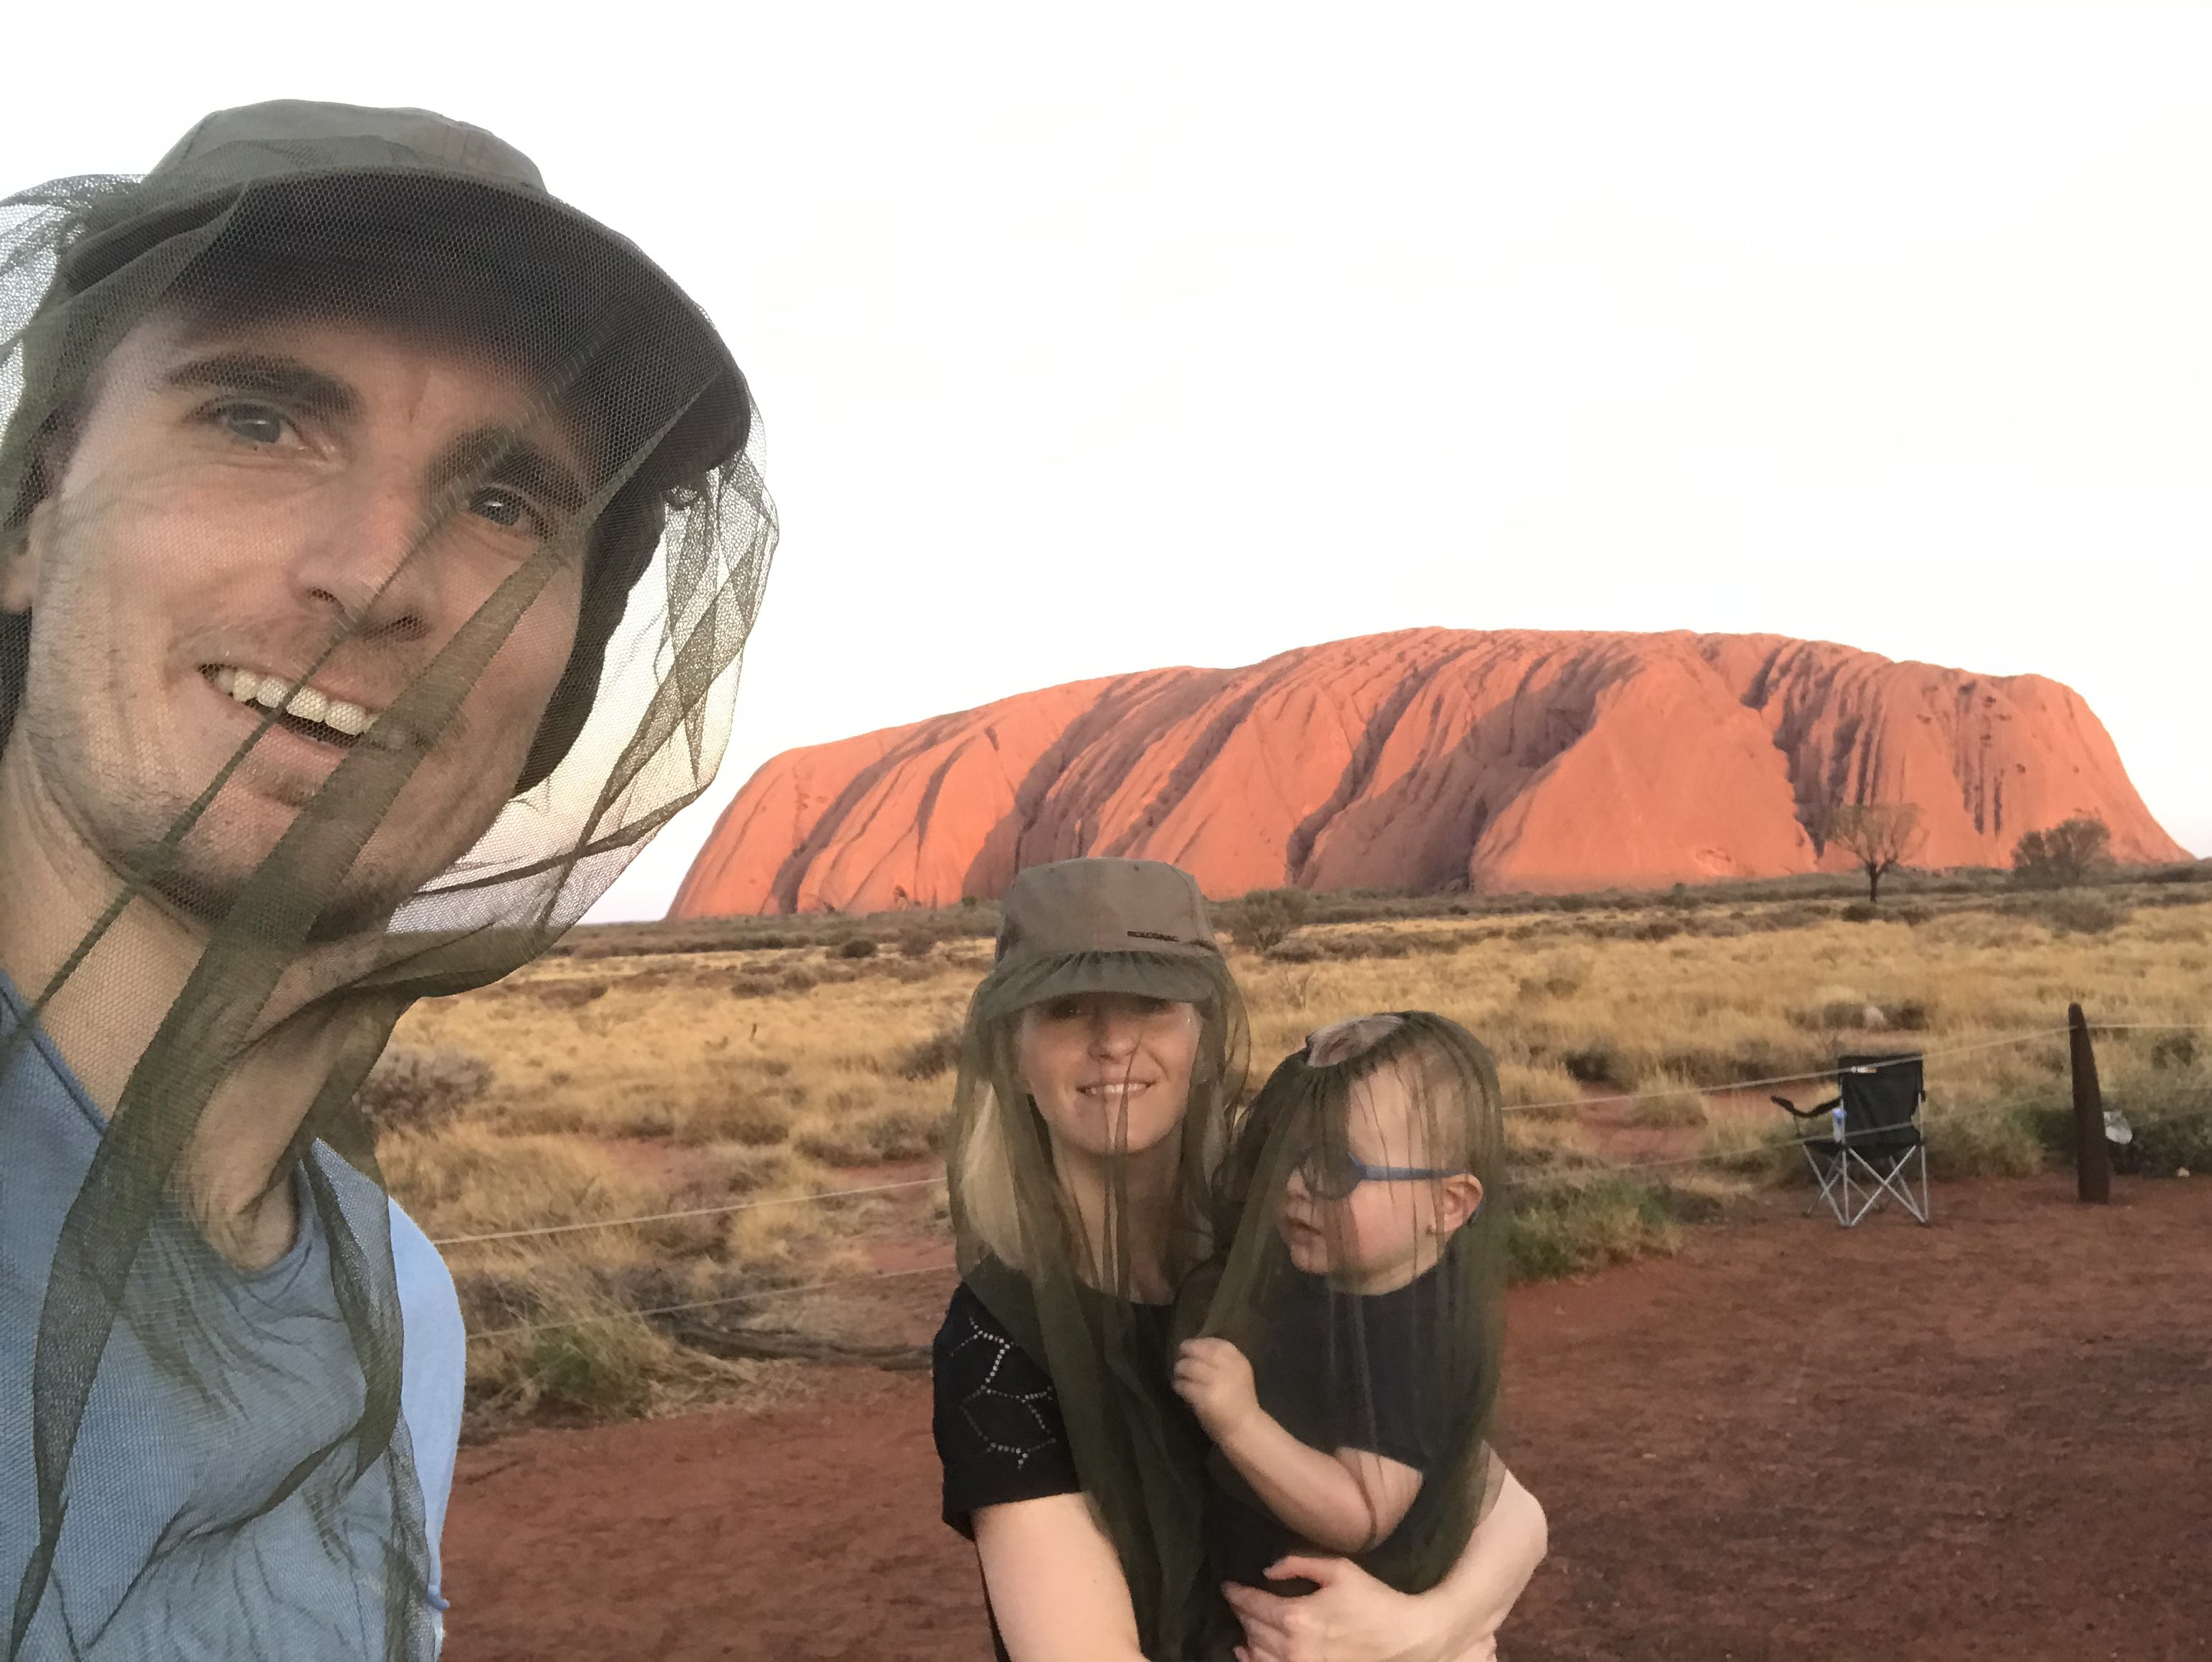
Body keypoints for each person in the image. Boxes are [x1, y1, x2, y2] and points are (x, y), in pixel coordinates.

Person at [0, 102, 773, 1659]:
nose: (378, 575)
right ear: (31, 511)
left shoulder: (395, 1303)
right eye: (257, 419)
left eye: (504, 503)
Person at [933, 860, 1543, 1661]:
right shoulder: (1000, 1342)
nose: (1114, 1042)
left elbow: (1508, 1509)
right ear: (1012, 1054)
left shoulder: (1285, 1241)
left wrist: (1418, 1631)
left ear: (1204, 1034)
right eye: (1066, 1009)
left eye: (1152, 1004)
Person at [1175, 1013, 1505, 1603]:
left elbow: (1362, 1512)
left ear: (1448, 1204)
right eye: (1288, 1158)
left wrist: (1238, 1420)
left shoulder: (1412, 1343)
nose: (1296, 1184)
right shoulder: (1336, 1282)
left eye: (1335, 1166)